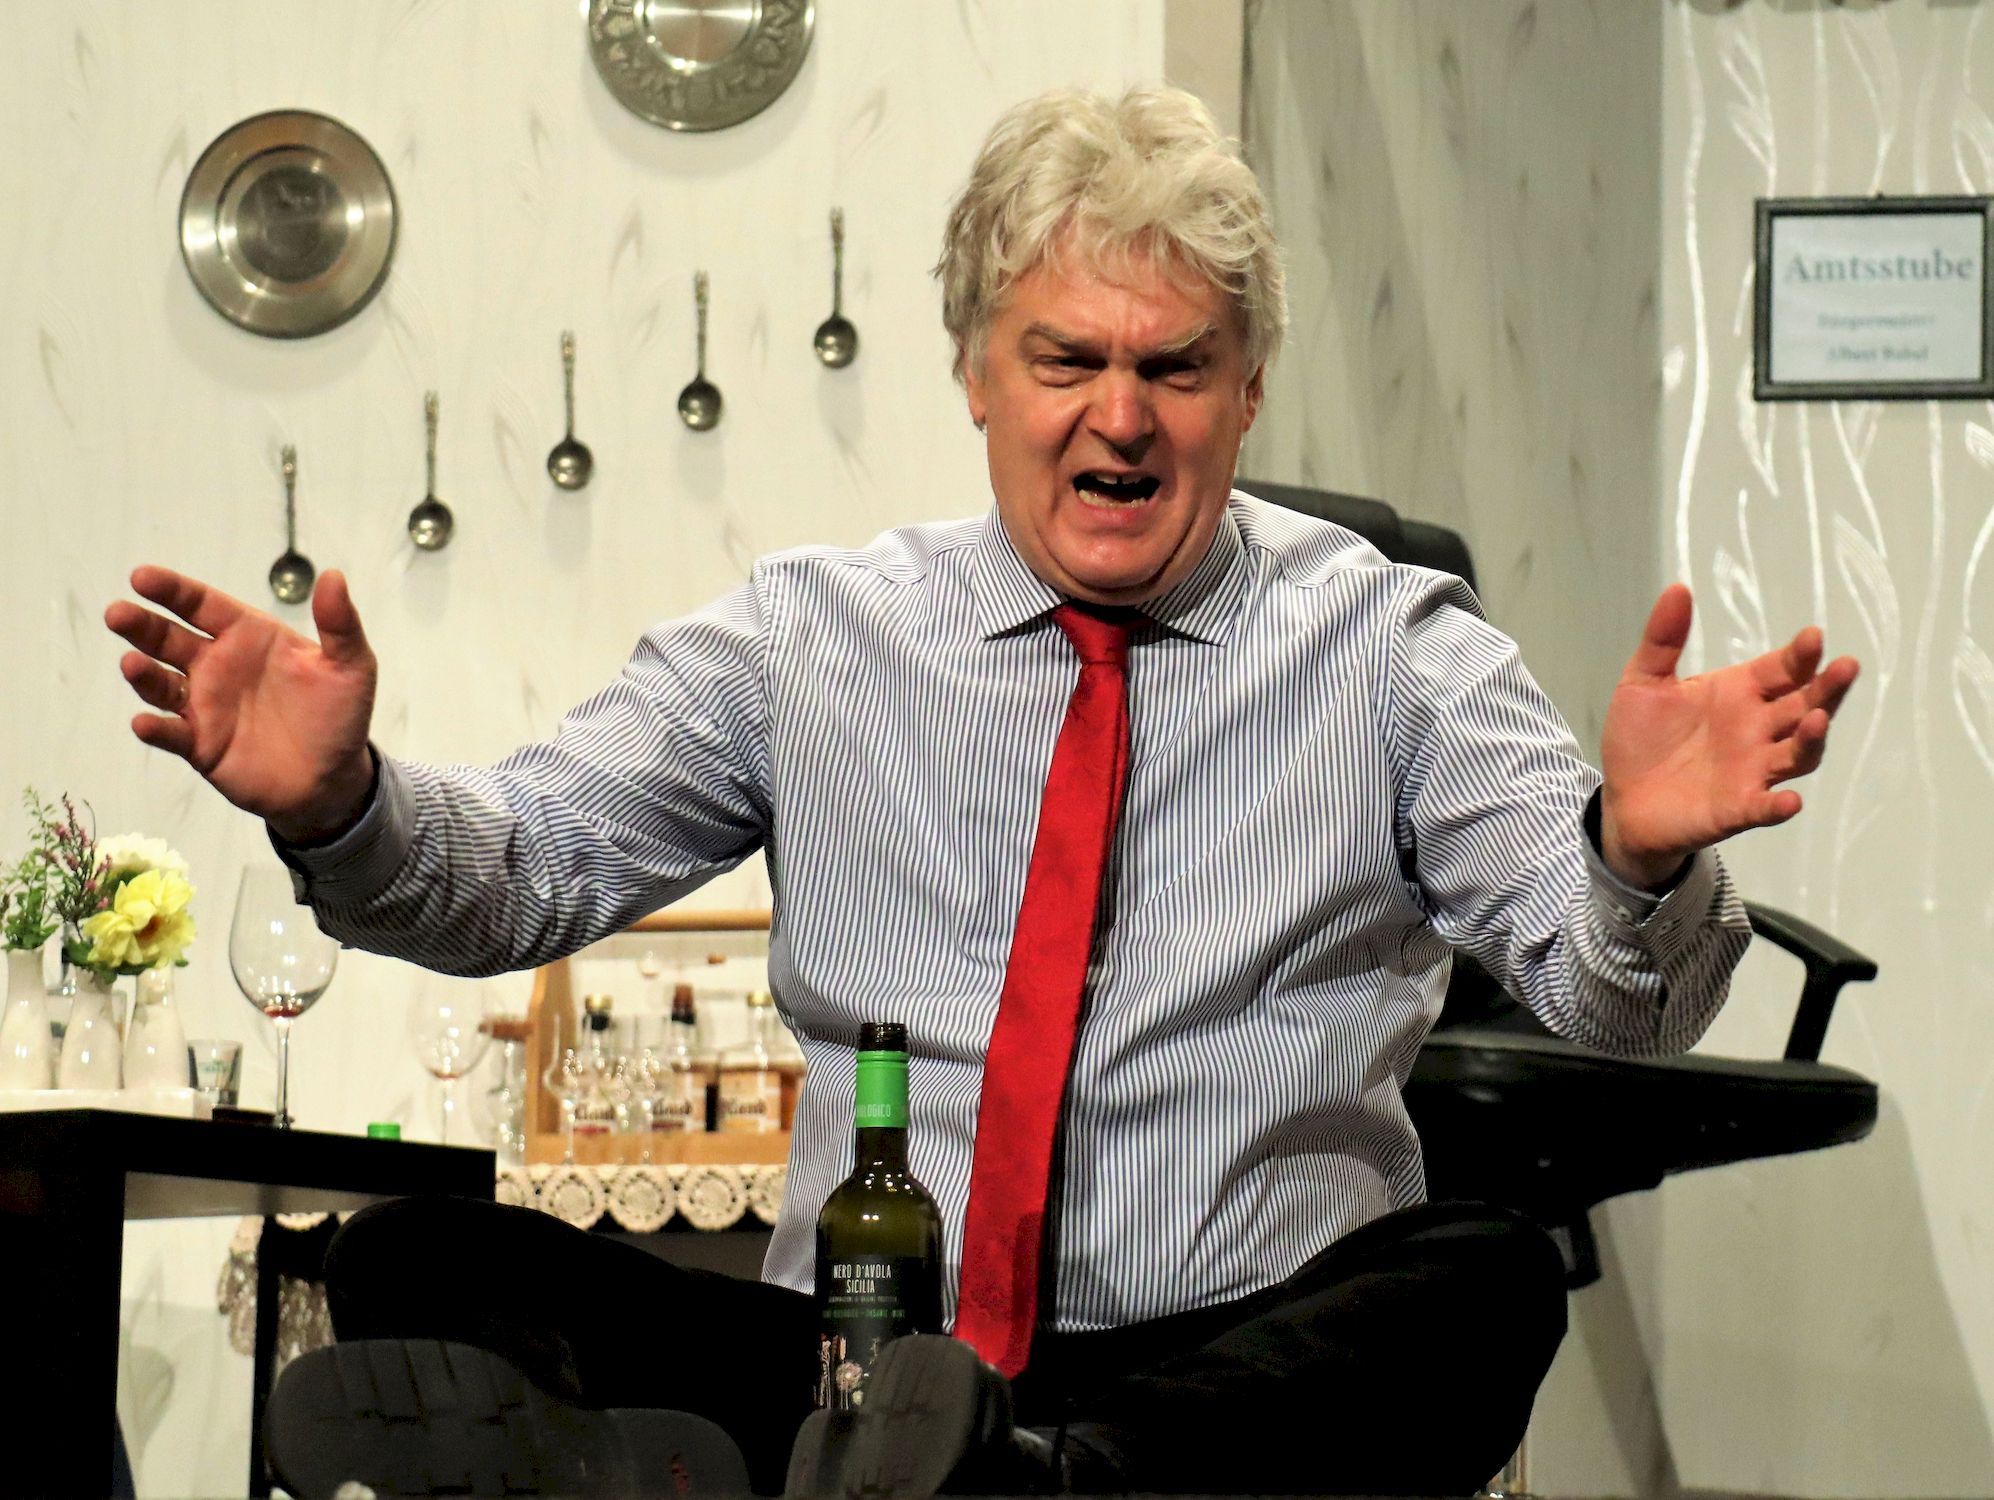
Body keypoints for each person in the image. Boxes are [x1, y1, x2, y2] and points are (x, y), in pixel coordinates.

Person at [106, 85, 1858, 1497]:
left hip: (1226, 1358)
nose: (1121, 417)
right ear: (973, 371)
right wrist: (340, 804)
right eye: (1065, 359)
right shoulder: (809, 636)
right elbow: (518, 873)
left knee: (1478, 1280)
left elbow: (1608, 999)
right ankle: (867, 1467)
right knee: (418, 1259)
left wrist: (1633, 856)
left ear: (1247, 386)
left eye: (1174, 366)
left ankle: (1027, 1483)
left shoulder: (1394, 647)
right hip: (862, 1361)